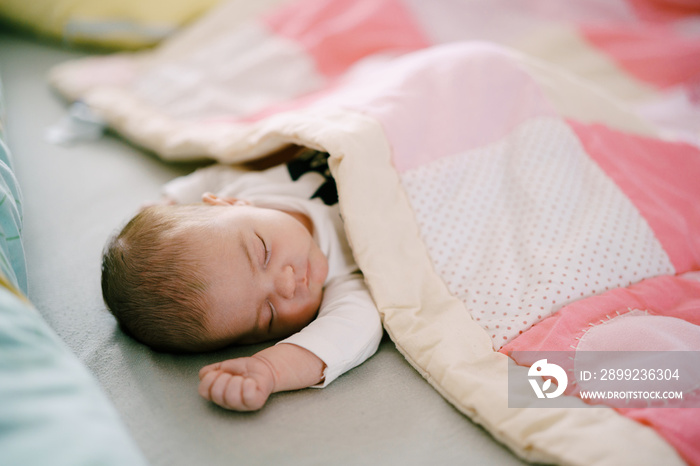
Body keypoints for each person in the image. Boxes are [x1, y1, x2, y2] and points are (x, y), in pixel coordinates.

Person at [101, 149, 383, 411]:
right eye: (268, 314)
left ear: (229, 202)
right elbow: (352, 330)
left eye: (263, 252)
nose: (287, 284)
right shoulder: (342, 275)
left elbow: (216, 174)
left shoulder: (245, 189)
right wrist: (272, 369)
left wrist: (170, 200)